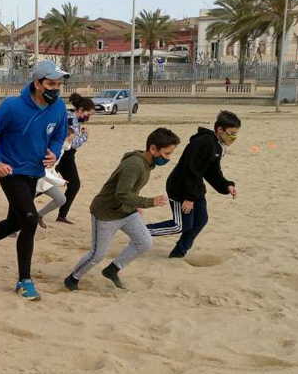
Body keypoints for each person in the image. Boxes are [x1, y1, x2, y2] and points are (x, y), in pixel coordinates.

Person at [0, 60, 69, 300]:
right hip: (10, 172)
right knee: (30, 220)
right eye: (51, 84)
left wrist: (53, 152)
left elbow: (59, 136)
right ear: (37, 83)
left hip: (35, 172)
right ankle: (24, 281)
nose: (56, 88)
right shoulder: (12, 106)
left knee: (16, 221)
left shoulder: (60, 108)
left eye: (58, 84)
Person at [64, 128, 180, 291]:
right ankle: (72, 279)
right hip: (106, 213)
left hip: (126, 210)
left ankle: (112, 269)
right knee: (97, 254)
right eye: (167, 153)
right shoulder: (135, 164)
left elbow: (130, 190)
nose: (168, 158)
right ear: (153, 149)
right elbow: (122, 193)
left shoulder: (148, 162)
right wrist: (148, 202)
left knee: (144, 242)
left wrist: (136, 204)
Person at [147, 110, 240, 258]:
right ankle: (141, 231)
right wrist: (189, 198)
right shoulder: (202, 143)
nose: (233, 137)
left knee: (201, 220)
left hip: (195, 188)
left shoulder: (216, 146)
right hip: (180, 188)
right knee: (181, 225)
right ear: (220, 129)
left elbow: (212, 172)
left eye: (236, 133)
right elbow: (188, 170)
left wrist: (226, 185)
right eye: (231, 132)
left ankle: (179, 252)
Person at [55, 93, 95, 225]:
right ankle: (20, 208)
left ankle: (62, 215)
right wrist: (85, 135)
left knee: (74, 185)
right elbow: (72, 143)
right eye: (88, 115)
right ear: (81, 110)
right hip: (62, 154)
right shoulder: (71, 119)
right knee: (43, 185)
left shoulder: (72, 118)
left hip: (67, 155)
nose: (88, 118)